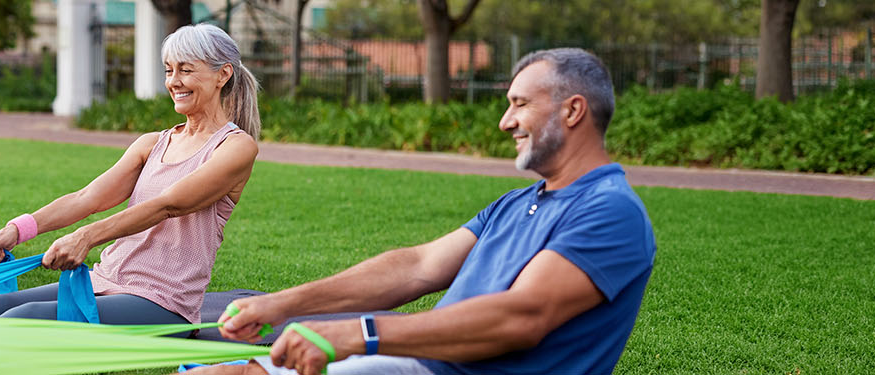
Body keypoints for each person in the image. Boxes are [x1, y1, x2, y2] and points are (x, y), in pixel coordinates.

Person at [0, 24, 264, 374]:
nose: (174, 82)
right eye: (169, 70)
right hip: (106, 280)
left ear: (223, 74)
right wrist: (15, 231)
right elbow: (88, 196)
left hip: (163, 305)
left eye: (186, 70)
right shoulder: (154, 142)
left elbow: (169, 205)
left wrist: (85, 238)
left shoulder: (235, 147)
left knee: (26, 316)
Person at [197, 48, 656, 375]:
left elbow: (521, 317)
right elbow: (417, 267)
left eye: (520, 104)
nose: (506, 122)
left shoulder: (610, 210)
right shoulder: (519, 202)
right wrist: (283, 304)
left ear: (573, 111)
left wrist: (360, 334)